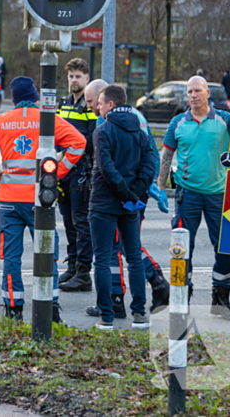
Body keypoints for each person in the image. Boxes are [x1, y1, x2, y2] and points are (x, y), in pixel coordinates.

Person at [0, 77, 87, 322]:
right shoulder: (47, 120)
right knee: (46, 252)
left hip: (9, 198)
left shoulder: (2, 121)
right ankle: (50, 307)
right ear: (35, 96)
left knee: (11, 256)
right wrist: (57, 174)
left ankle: (13, 309)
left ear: (14, 98)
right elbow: (78, 143)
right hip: (39, 199)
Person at [83, 80, 170, 319]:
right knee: (128, 253)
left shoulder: (104, 126)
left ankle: (110, 308)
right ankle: (137, 309)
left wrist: (128, 193)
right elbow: (149, 160)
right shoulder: (138, 123)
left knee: (106, 255)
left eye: (95, 103)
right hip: (132, 201)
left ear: (109, 104)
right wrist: (138, 191)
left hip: (108, 200)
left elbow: (107, 167)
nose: (94, 108)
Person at [158, 75, 230, 321]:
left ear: (208, 94)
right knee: (183, 247)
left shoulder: (226, 120)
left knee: (224, 248)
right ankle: (182, 298)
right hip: (187, 194)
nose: (192, 95)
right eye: (189, 92)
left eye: (197, 91)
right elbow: (166, 155)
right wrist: (160, 186)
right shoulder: (177, 123)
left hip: (219, 194)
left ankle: (221, 300)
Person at [55, 58, 95, 292]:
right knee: (68, 222)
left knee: (81, 223)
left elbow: (91, 142)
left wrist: (69, 149)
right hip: (62, 171)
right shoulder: (62, 104)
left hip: (81, 171)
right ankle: (72, 266)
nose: (74, 80)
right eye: (71, 76)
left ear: (86, 79)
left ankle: (83, 272)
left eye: (78, 76)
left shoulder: (89, 107)